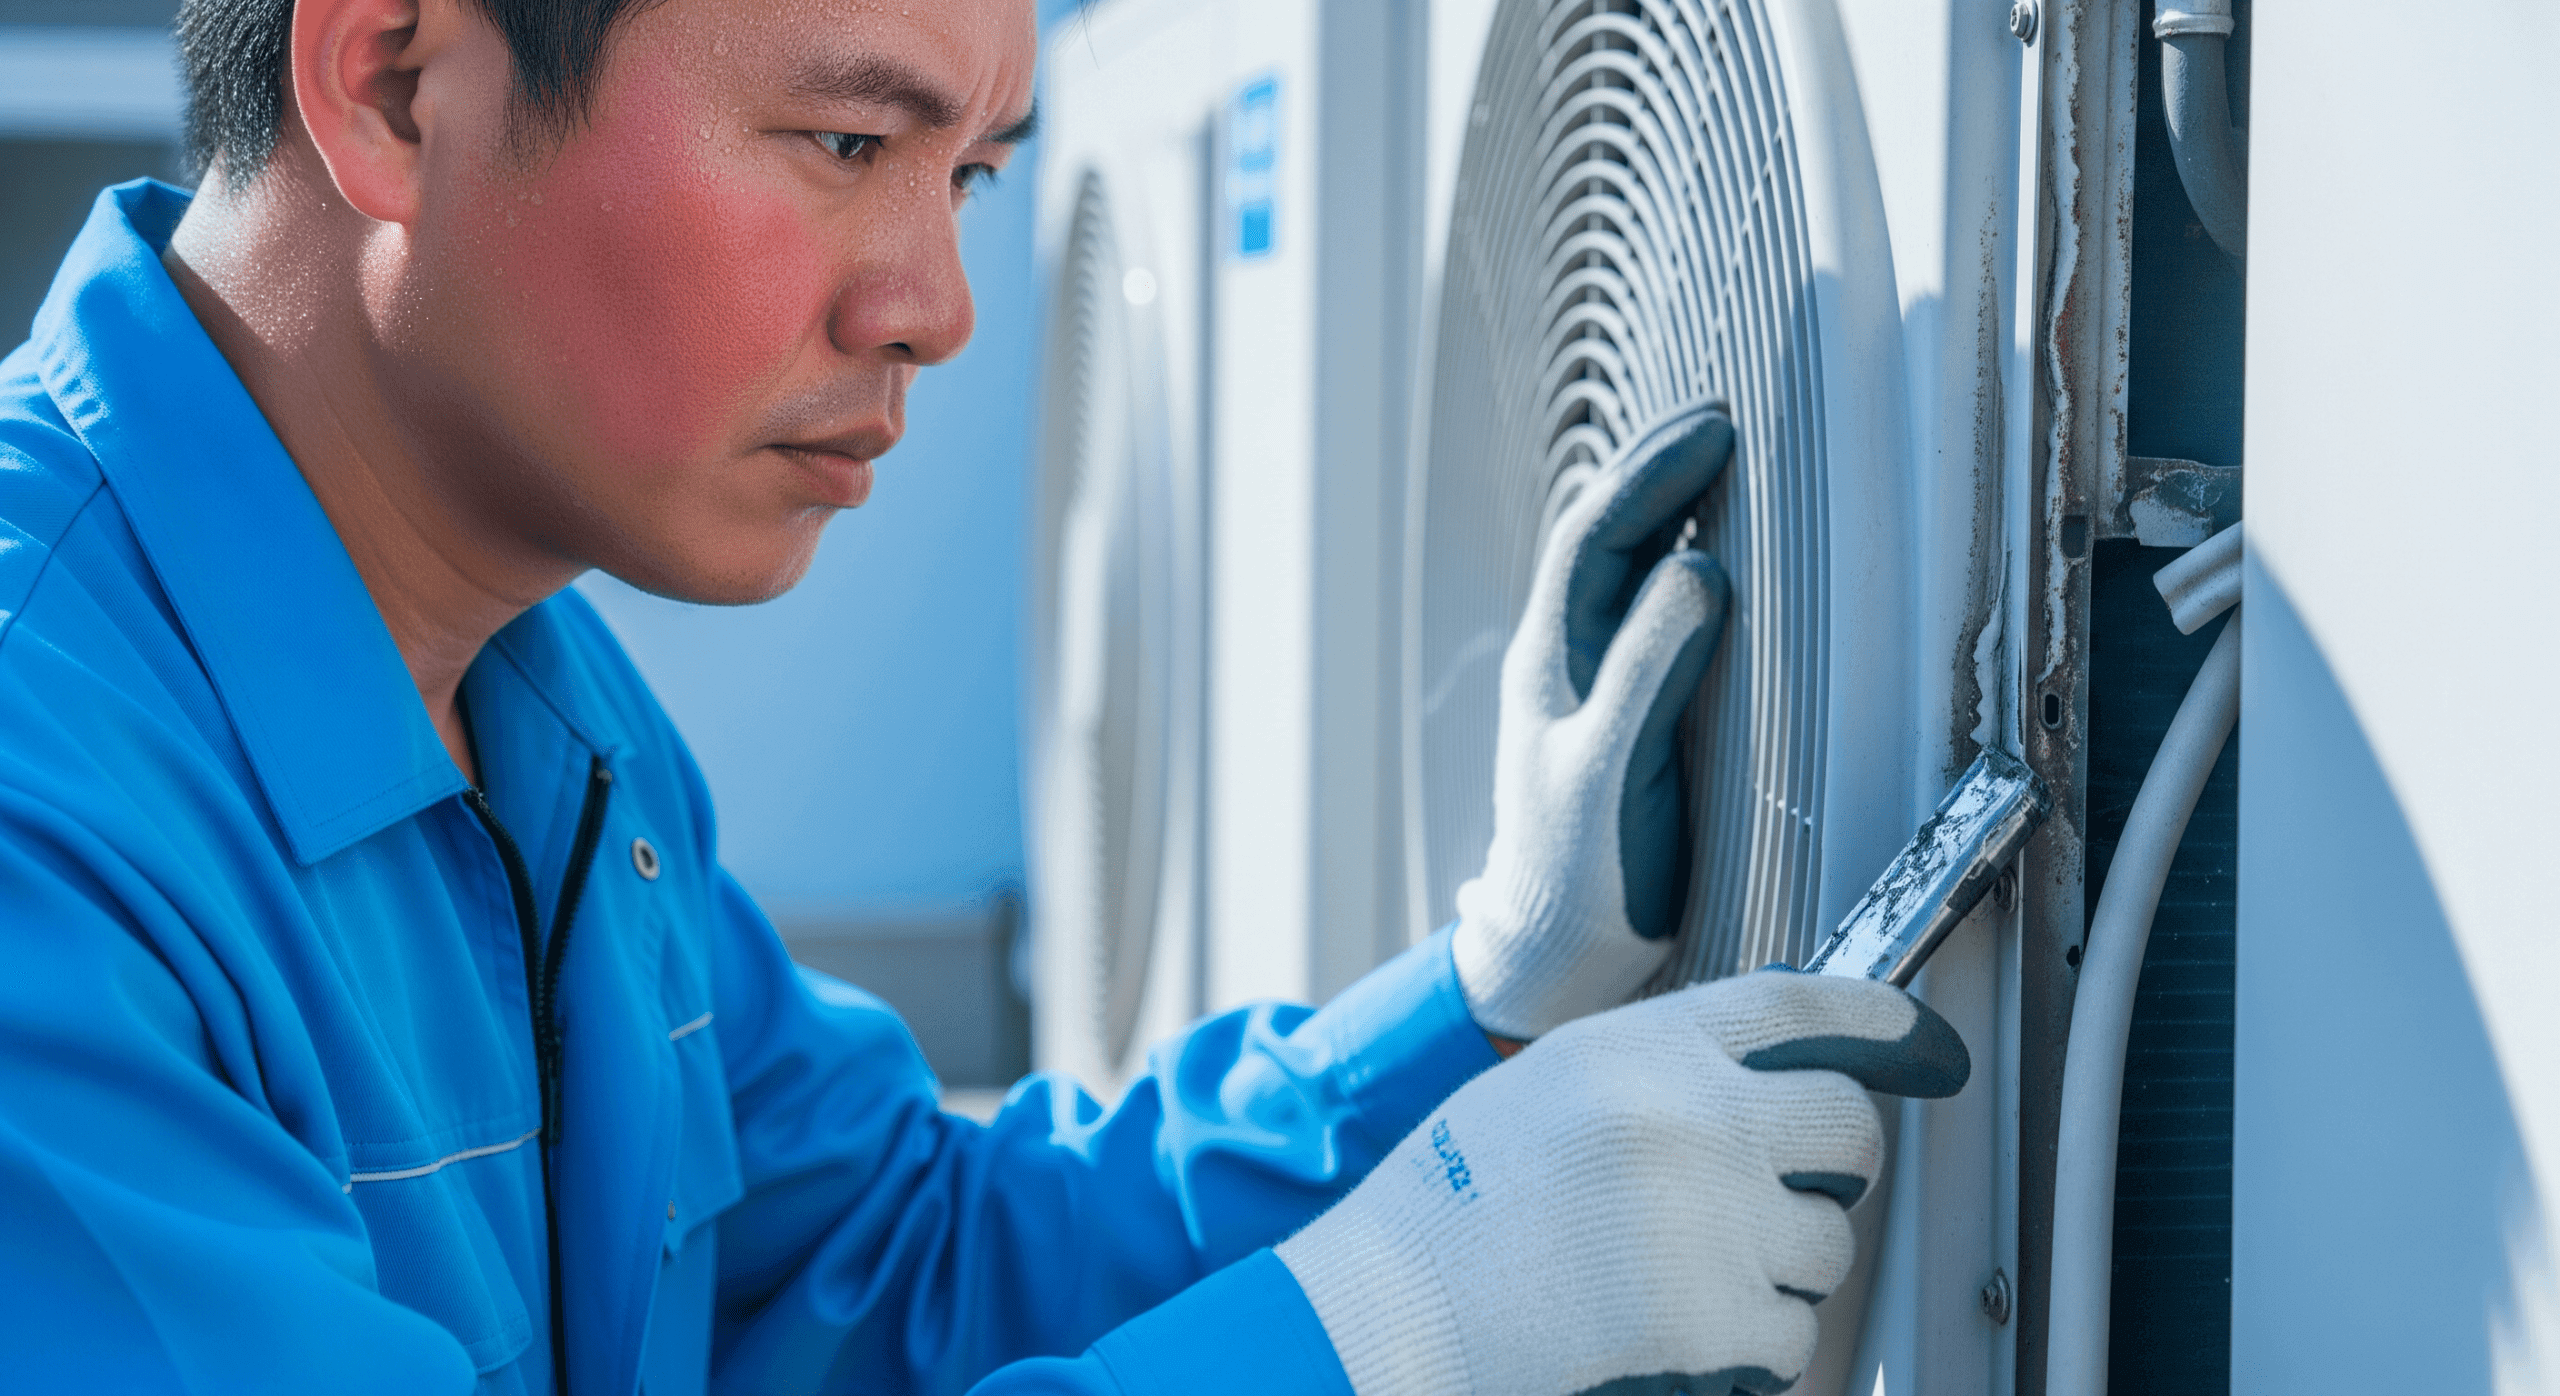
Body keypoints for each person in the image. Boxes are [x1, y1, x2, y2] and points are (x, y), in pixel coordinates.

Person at [0, 0, 1967, 1391]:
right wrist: (1383, 1330)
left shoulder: (537, 699)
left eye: (974, 171)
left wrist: (1480, 1003)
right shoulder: (43, 813)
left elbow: (887, 1262)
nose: (931, 304)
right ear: (394, 80)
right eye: (849, 144)